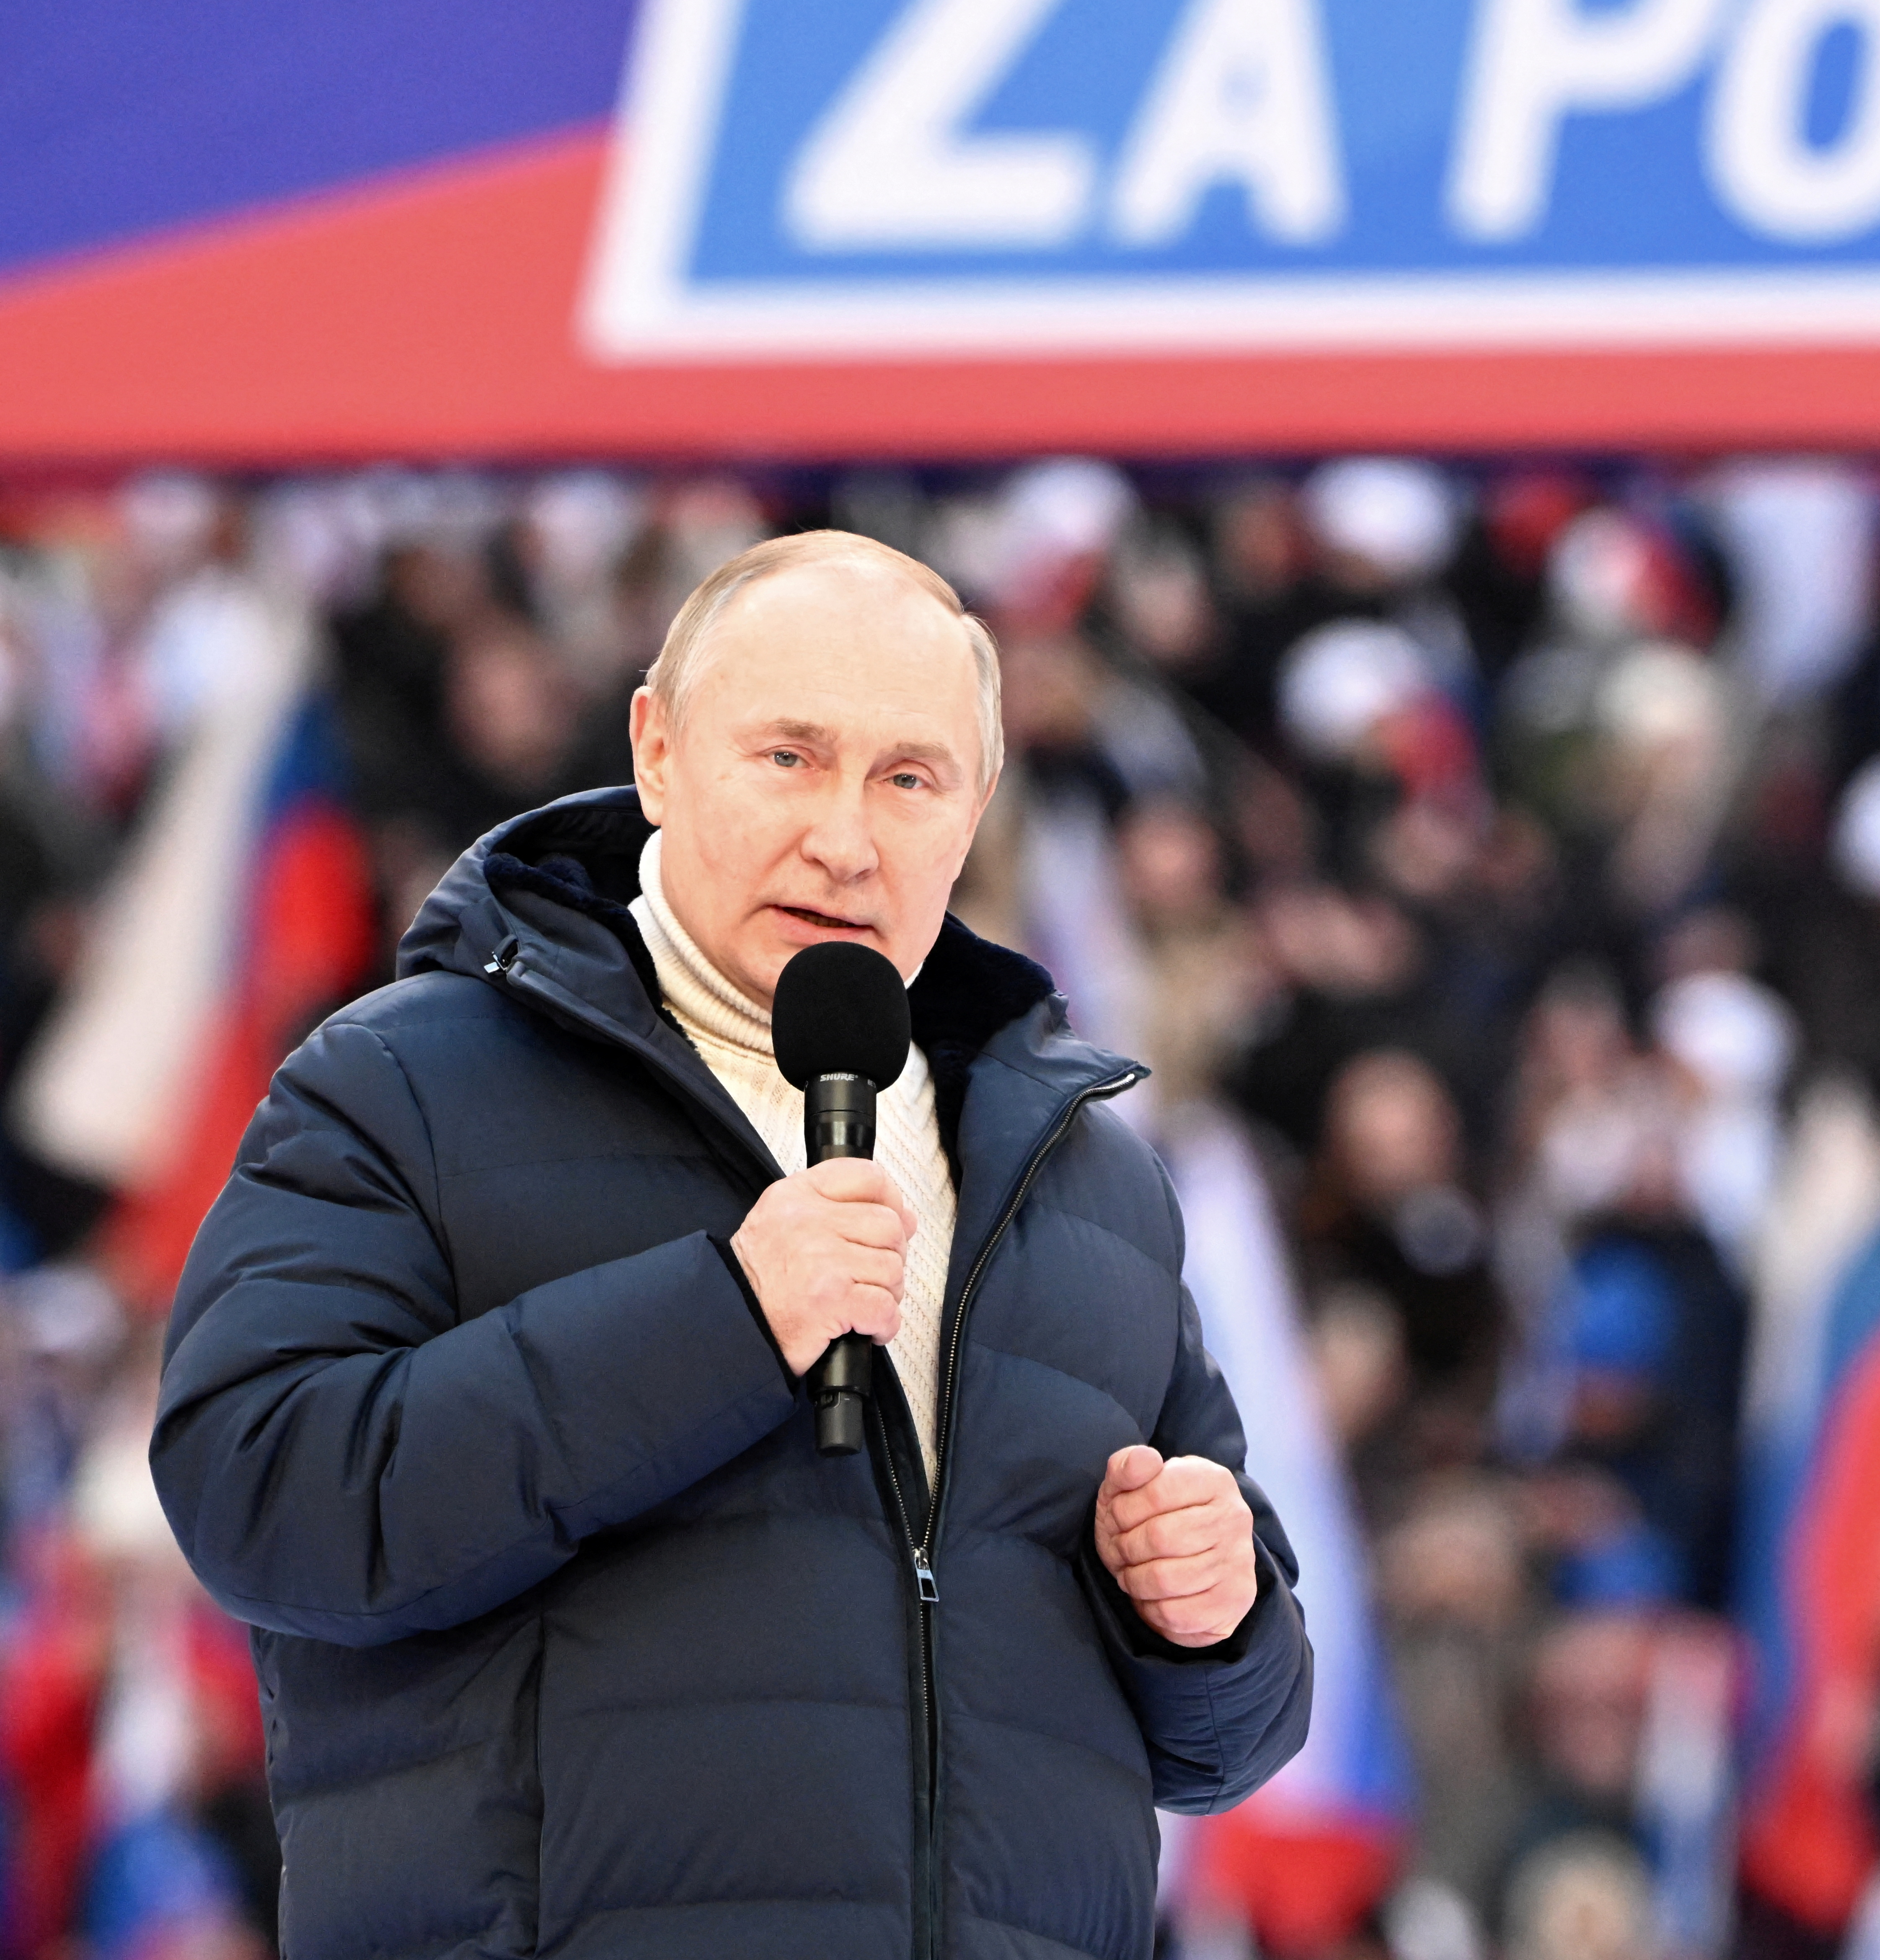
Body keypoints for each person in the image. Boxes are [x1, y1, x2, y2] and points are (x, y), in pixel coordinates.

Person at [148, 532, 1314, 1960]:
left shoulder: (1092, 1182)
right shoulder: (403, 1084)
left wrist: (1216, 1618)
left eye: (908, 777)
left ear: (976, 810)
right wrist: (722, 1322)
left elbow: (1229, 1744)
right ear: (657, 749)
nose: (844, 837)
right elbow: (260, 1498)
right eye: (789, 757)